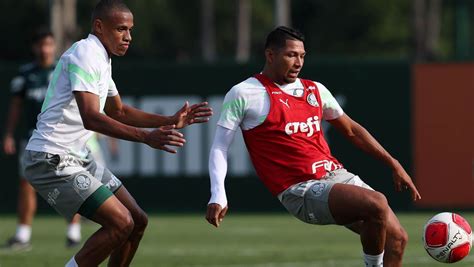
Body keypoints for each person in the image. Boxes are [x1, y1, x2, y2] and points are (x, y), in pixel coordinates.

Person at [206, 26, 421, 267]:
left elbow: (352, 130)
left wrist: (393, 163)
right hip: (300, 188)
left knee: (397, 240)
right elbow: (219, 147)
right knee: (376, 203)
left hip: (335, 175)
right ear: (270, 55)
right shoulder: (244, 93)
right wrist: (218, 194)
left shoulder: (314, 89)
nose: (298, 62)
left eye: (302, 55)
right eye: (291, 55)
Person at [22, 0, 212, 266]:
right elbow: (91, 117)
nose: (128, 37)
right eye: (121, 29)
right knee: (121, 222)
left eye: (130, 30)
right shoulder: (86, 54)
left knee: (136, 222)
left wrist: (169, 120)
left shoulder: (102, 57)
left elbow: (118, 111)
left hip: (78, 156)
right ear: (99, 27)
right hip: (50, 157)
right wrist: (146, 137)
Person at [2, 28, 83, 251]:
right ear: (35, 47)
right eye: (41, 45)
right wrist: (9, 134)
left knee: (71, 182)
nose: (45, 49)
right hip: (32, 139)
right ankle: (23, 234)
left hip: (63, 139)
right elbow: (16, 107)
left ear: (53, 46)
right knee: (26, 184)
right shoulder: (26, 74)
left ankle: (73, 232)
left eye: (49, 44)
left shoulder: (64, 69)